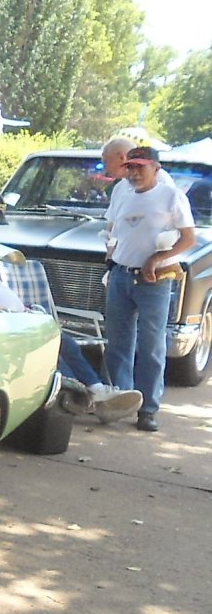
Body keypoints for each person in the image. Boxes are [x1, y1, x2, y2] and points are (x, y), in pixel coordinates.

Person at [0, 192, 141, 420]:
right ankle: (90, 398)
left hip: (17, 314)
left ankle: (98, 391)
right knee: (49, 348)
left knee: (66, 343)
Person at [103, 144, 196, 432]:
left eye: (140, 167)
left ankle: (148, 408)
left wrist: (157, 258)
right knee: (118, 343)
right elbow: (112, 230)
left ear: (156, 168)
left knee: (152, 345)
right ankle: (121, 398)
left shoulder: (171, 196)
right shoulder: (121, 192)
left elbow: (188, 239)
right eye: (130, 167)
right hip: (121, 274)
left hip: (154, 280)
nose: (134, 173)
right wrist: (110, 262)